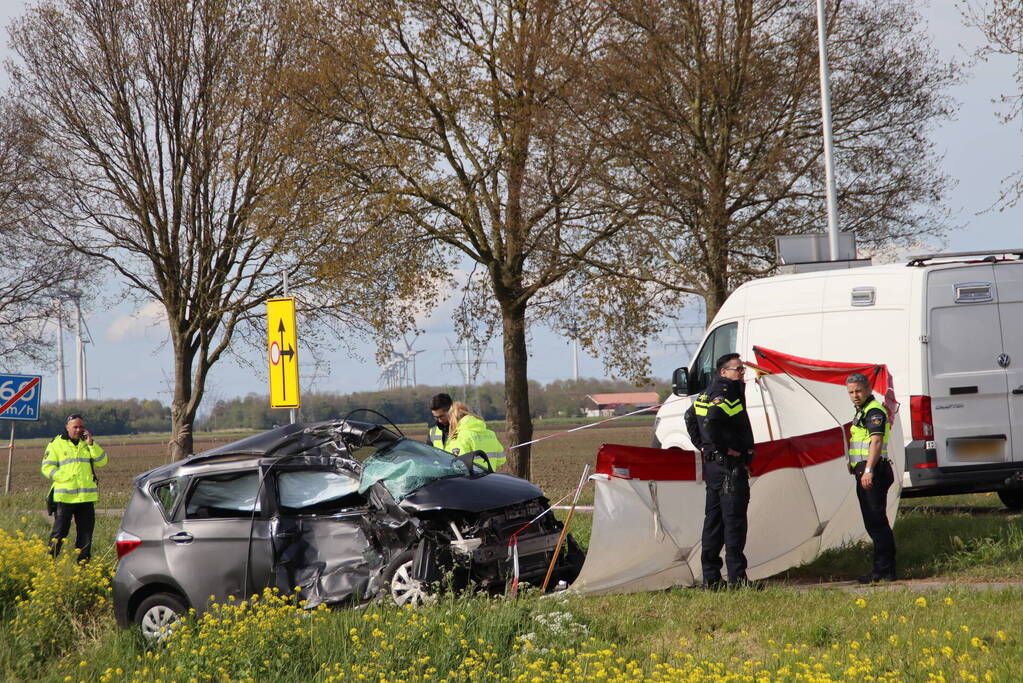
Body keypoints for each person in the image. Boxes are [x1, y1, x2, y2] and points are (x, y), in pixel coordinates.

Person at [684, 353, 755, 589]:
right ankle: (737, 579)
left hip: (713, 467)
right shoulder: (725, 392)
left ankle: (711, 579)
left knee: (713, 522)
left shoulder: (706, 392)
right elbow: (712, 421)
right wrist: (724, 448)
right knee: (733, 522)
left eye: (743, 369)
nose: (742, 373)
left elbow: (690, 417)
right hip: (728, 468)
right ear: (723, 372)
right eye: (738, 369)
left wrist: (704, 447)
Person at [846, 372, 897, 583]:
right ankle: (883, 569)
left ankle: (884, 571)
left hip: (873, 473)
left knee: (876, 523)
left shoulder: (874, 411)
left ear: (868, 389)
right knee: (873, 522)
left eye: (858, 391)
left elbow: (875, 442)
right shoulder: (862, 410)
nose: (855, 395)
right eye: (851, 392)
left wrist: (867, 470)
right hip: (866, 471)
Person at [41, 413, 108, 562]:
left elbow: (102, 461)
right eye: (75, 427)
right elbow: (46, 467)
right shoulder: (56, 443)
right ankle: (48, 563)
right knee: (59, 534)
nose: (78, 430)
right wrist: (64, 477)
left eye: (81, 427)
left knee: (85, 536)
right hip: (64, 498)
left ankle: (82, 568)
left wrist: (92, 444)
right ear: (67, 427)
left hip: (85, 499)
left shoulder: (88, 443)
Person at [444, 402, 507, 470]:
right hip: (489, 478)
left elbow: (458, 466)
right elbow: (501, 460)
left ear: (452, 419)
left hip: (470, 479)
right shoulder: (491, 434)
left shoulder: (460, 436)